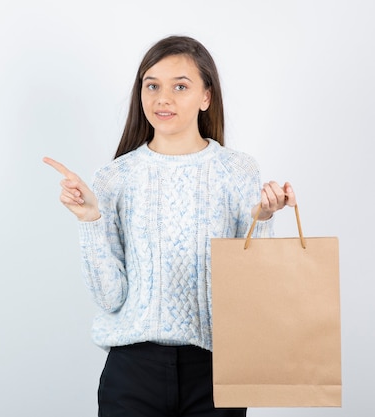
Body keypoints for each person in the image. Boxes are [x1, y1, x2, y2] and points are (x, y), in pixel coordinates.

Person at [43, 35, 296, 417]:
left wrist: (261, 222)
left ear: (206, 97)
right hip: (133, 372)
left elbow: (254, 289)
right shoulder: (115, 177)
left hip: (216, 371)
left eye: (180, 86)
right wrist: (90, 220)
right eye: (152, 86)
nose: (163, 98)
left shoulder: (237, 170)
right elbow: (110, 299)